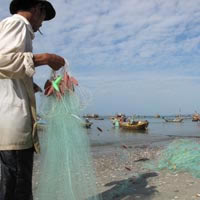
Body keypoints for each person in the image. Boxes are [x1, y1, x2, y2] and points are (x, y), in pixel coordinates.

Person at [0, 0, 65, 199]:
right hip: (14, 123)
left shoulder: (10, 27)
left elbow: (9, 73)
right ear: (38, 9)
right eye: (44, 17)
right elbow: (2, 60)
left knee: (9, 185)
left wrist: (33, 86)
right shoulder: (18, 23)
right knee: (16, 189)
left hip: (7, 124)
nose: (42, 24)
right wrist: (44, 58)